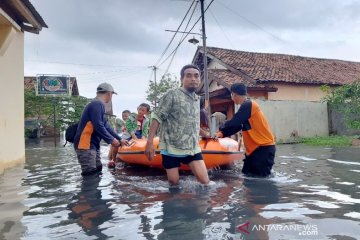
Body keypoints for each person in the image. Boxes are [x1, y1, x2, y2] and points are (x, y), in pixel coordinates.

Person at [145, 64, 210, 186]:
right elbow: (157, 117)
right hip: (171, 147)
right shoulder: (172, 95)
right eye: (189, 76)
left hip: (192, 148)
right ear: (182, 79)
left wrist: (204, 134)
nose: (193, 79)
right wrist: (149, 142)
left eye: (196, 76)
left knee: (206, 183)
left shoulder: (197, 99)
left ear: (200, 80)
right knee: (174, 184)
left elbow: (191, 121)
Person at [215, 83, 276, 177]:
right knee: (247, 175)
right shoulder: (247, 107)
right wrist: (221, 133)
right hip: (254, 150)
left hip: (263, 149)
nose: (232, 97)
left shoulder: (249, 104)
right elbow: (237, 126)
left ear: (234, 94)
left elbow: (235, 121)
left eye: (232, 95)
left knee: (260, 179)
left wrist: (220, 129)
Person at [73, 82, 128, 176]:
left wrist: (119, 139)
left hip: (93, 144)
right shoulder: (96, 104)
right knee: (90, 174)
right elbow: (98, 125)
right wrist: (111, 140)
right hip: (85, 144)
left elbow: (106, 126)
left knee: (98, 169)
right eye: (112, 95)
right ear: (109, 94)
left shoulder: (98, 105)